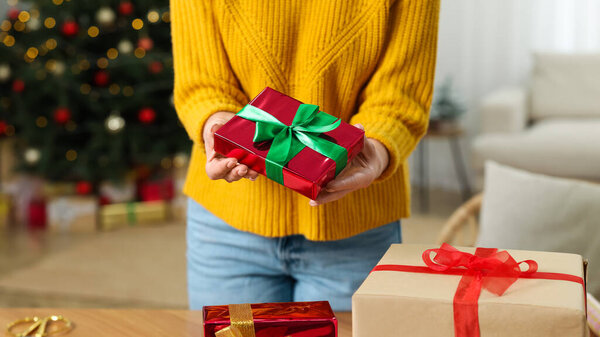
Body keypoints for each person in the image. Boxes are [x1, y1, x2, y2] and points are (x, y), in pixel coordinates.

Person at [171, 0, 439, 311]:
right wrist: (216, 124)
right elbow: (201, 80)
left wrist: (376, 150)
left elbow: (401, 94)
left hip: (356, 227)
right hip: (227, 225)